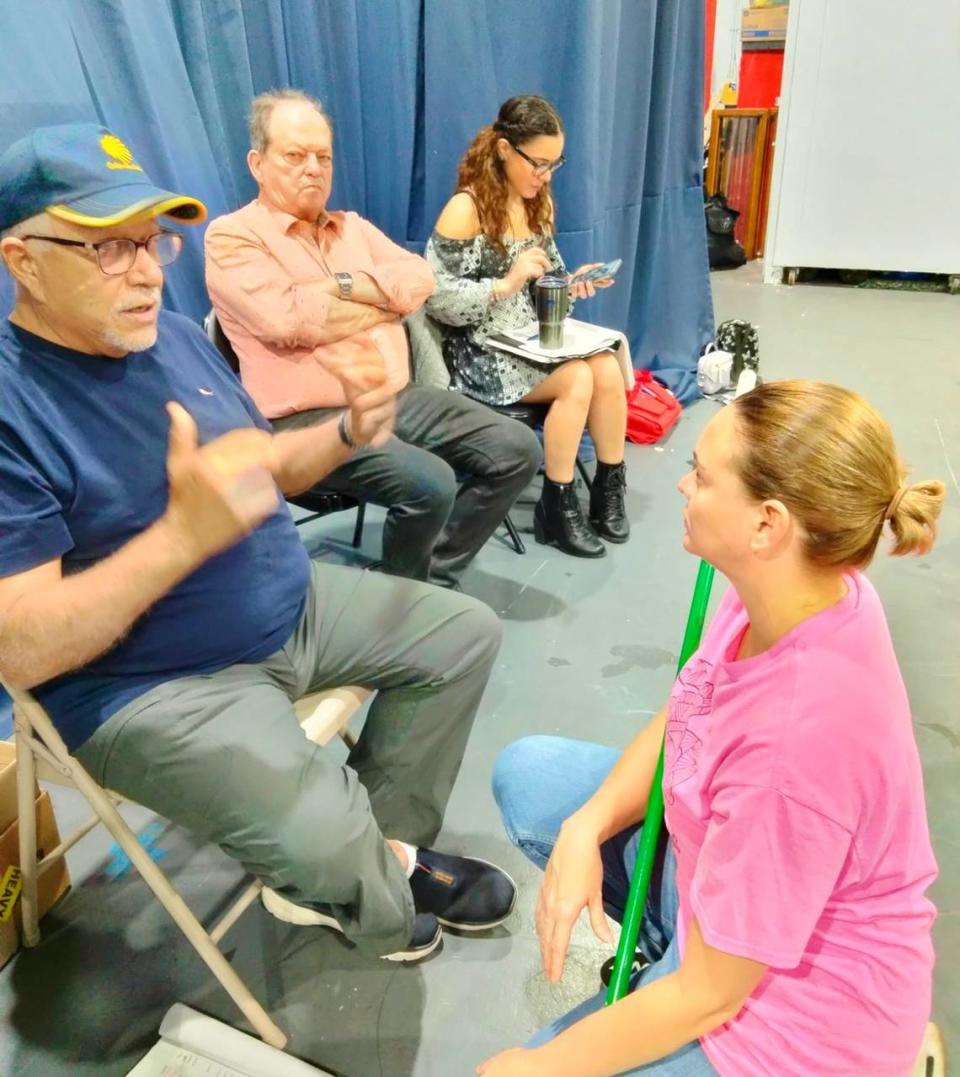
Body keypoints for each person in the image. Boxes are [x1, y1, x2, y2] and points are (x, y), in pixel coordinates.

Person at [0, 122, 518, 965]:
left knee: (465, 634)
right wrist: (179, 538)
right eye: (107, 249)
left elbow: (270, 466)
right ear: (22, 260)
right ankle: (373, 889)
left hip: (287, 601)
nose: (142, 271)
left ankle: (376, 854)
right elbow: (18, 649)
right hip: (153, 683)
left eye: (152, 242)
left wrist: (350, 432)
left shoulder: (158, 331)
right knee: (321, 827)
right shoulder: (12, 408)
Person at [485, 380, 944, 1074]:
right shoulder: (797, 585)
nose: (679, 484)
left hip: (788, 1020)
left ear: (767, 523)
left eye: (700, 475)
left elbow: (706, 996)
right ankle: (668, 939)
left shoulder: (799, 746)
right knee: (531, 776)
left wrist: (531, 1067)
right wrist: (589, 822)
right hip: (726, 892)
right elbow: (693, 705)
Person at [205, 90, 541, 589]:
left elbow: (419, 280)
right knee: (430, 482)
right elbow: (283, 319)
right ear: (258, 163)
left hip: (394, 396)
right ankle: (402, 606)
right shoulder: (232, 237)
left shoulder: (353, 229)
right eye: (295, 156)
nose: (313, 169)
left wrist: (339, 286)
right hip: (306, 418)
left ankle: (425, 580)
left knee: (517, 448)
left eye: (323, 157)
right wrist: (378, 305)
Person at [426, 95, 629, 560]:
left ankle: (607, 488)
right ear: (503, 149)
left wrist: (573, 282)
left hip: (527, 340)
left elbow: (547, 277)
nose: (545, 176)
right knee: (578, 376)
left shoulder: (537, 203)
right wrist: (504, 283)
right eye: (538, 163)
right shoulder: (466, 209)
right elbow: (435, 300)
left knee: (606, 366)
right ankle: (556, 507)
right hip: (478, 350)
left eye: (554, 165)